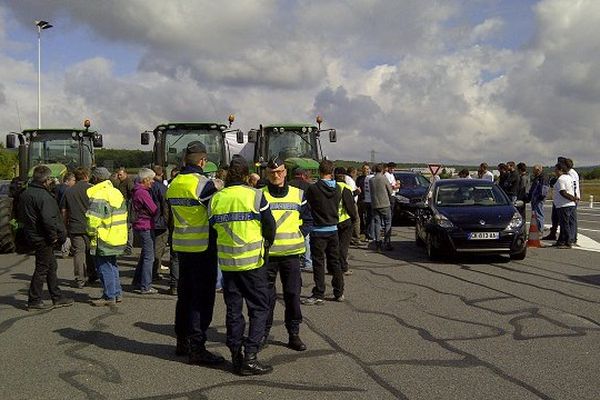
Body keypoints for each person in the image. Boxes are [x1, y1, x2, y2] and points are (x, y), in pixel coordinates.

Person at [209, 156, 276, 376]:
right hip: (253, 264)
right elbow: (270, 226)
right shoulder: (256, 196)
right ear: (248, 176)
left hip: (228, 265)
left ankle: (236, 355)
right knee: (259, 309)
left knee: (234, 311)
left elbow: (212, 229)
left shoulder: (217, 199)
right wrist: (266, 246)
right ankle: (251, 356)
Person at [166, 141, 224, 366]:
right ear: (203, 161)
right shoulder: (204, 185)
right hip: (203, 247)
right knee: (202, 300)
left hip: (182, 246)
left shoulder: (174, 183)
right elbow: (214, 213)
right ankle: (197, 348)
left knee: (185, 297)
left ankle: (182, 340)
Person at [261, 157, 310, 352]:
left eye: (279, 171)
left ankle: (294, 334)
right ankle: (262, 332)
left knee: (292, 296)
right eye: (272, 172)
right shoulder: (259, 194)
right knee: (266, 297)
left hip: (291, 255)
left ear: (285, 172)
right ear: (267, 174)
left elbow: (308, 220)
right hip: (268, 256)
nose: (276, 175)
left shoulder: (298, 194)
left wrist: (300, 234)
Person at [20, 165, 73, 311]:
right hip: (43, 237)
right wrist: (54, 236)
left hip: (33, 234)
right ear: (47, 180)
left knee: (51, 266)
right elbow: (49, 220)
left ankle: (57, 296)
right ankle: (34, 300)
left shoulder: (26, 193)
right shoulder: (44, 196)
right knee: (42, 268)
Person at [303, 159, 345, 305]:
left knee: (319, 263)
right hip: (333, 228)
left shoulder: (313, 189)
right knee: (335, 262)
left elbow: (308, 205)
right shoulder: (338, 188)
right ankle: (339, 291)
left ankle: (319, 292)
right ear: (331, 172)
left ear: (319, 171)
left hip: (318, 229)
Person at [86, 167, 128, 306]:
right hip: (117, 236)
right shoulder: (116, 192)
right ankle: (117, 293)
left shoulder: (99, 194)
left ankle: (109, 296)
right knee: (112, 265)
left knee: (104, 267)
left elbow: (93, 219)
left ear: (96, 178)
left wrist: (90, 232)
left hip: (103, 236)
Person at [61, 167, 97, 288]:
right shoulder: (92, 189)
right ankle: (92, 274)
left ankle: (80, 279)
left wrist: (65, 226)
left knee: (78, 253)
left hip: (75, 226)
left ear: (75, 177)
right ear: (86, 176)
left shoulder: (69, 191)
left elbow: (64, 211)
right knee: (91, 251)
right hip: (91, 225)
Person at [131, 168, 159, 294]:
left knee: (144, 255)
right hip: (145, 225)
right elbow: (153, 209)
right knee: (149, 257)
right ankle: (146, 285)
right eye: (151, 179)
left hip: (140, 225)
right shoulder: (143, 192)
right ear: (146, 179)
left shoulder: (137, 191)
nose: (153, 182)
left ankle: (138, 280)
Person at [335, 167, 359, 276]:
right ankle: (343, 267)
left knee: (333, 246)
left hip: (331, 220)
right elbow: (350, 206)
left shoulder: (331, 187)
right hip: (344, 220)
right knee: (343, 246)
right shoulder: (345, 188)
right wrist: (354, 218)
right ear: (344, 176)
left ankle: (333, 267)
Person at [289, 168, 313, 273]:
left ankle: (294, 261)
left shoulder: (288, 185)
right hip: (304, 216)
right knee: (306, 240)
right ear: (303, 175)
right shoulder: (308, 186)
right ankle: (307, 262)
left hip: (290, 217)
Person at [150, 166, 169, 285]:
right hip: (160, 222)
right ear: (161, 174)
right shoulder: (162, 188)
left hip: (151, 221)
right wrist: (166, 222)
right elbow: (165, 206)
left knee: (150, 248)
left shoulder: (147, 186)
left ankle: (151, 272)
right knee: (158, 248)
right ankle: (155, 272)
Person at [552, 162, 578, 249]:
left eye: (556, 169)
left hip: (563, 205)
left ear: (561, 170)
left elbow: (563, 192)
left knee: (564, 224)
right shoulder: (569, 177)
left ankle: (567, 242)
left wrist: (573, 198)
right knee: (564, 224)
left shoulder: (561, 179)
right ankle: (561, 241)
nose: (555, 171)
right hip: (569, 205)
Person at [370, 163, 393, 252]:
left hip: (375, 204)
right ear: (383, 170)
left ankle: (378, 244)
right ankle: (387, 243)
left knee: (377, 223)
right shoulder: (384, 178)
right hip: (385, 204)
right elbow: (390, 191)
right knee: (388, 223)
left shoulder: (371, 180)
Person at [114, 167, 135, 255]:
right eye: (118, 175)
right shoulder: (121, 182)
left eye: (120, 174)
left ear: (125, 174)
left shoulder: (128, 182)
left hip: (128, 208)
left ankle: (128, 247)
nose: (119, 176)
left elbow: (132, 194)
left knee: (128, 228)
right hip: (124, 208)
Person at [528, 165, 549, 232]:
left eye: (534, 170)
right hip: (535, 198)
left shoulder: (543, 177)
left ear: (538, 170)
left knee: (539, 213)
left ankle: (540, 230)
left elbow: (544, 188)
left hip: (538, 198)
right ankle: (537, 228)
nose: (533, 172)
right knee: (535, 214)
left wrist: (540, 197)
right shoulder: (537, 177)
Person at [565, 158, 580, 245]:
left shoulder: (570, 173)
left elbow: (573, 185)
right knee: (572, 219)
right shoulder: (574, 172)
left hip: (573, 198)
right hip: (575, 196)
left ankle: (571, 237)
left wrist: (573, 198)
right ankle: (573, 237)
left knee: (571, 219)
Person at [355, 163, 370, 238]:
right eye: (364, 169)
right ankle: (362, 229)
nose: (365, 170)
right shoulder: (359, 178)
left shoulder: (370, 178)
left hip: (368, 200)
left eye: (367, 169)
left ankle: (367, 231)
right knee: (360, 216)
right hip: (360, 199)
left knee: (367, 216)